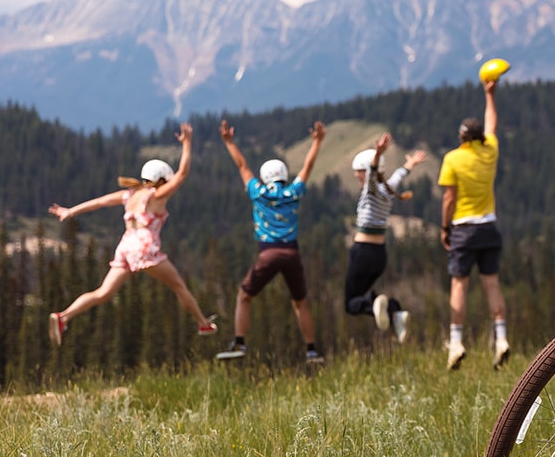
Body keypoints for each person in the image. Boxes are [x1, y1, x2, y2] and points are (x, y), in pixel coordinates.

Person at [47, 123, 216, 345]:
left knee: (103, 293)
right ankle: (203, 323)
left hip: (125, 246)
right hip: (145, 247)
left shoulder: (129, 195)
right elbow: (183, 173)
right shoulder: (157, 195)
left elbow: (99, 202)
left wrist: (70, 211)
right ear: (162, 180)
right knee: (178, 286)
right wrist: (187, 144)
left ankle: (63, 316)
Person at [216, 119, 326, 364]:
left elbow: (243, 166)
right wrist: (317, 142)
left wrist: (229, 142)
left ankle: (240, 342)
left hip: (267, 254)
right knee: (300, 303)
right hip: (292, 254)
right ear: (285, 175)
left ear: (265, 177)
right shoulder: (294, 192)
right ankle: (311, 350)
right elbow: (308, 166)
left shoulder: (259, 192)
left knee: (244, 296)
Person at [439, 79, 509, 370]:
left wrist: (445, 228)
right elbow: (491, 124)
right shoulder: (489, 151)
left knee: (459, 285)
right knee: (492, 285)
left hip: (464, 230)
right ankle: (502, 338)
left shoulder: (453, 159)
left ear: (462, 137)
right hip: (489, 228)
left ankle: (455, 343)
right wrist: (490, 95)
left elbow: (448, 198)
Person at [345, 132, 427, 344]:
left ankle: (376, 307)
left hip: (362, 251)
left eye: (358, 173)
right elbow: (399, 175)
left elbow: (372, 176)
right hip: (380, 255)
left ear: (366, 172)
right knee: (362, 294)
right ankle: (394, 312)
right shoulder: (388, 190)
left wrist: (378, 154)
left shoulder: (370, 191)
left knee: (350, 303)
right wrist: (411, 164)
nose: (357, 177)